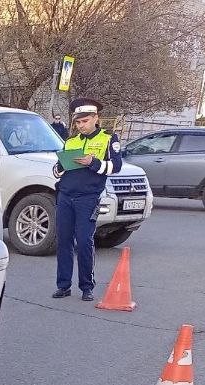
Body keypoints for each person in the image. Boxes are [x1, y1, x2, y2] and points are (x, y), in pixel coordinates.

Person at [52, 97, 121, 301]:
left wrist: (93, 162)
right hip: (65, 195)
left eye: (85, 121)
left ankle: (86, 286)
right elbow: (57, 171)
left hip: (88, 198)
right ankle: (63, 285)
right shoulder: (71, 141)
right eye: (78, 122)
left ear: (95, 118)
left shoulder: (109, 139)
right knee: (63, 241)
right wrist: (62, 166)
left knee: (84, 242)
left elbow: (115, 167)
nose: (81, 125)